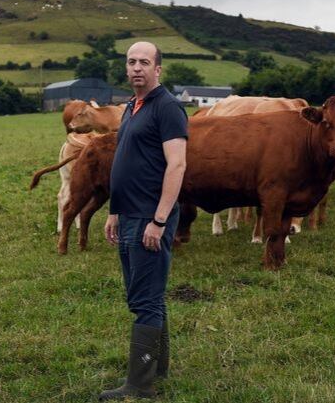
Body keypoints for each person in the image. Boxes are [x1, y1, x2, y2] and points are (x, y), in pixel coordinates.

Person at [99, 42, 188, 401]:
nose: (137, 68)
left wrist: (160, 219)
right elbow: (128, 159)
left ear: (158, 69)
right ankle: (159, 368)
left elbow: (177, 165)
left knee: (144, 301)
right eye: (132, 62)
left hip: (150, 217)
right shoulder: (132, 107)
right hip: (129, 214)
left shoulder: (167, 108)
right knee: (148, 297)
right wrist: (114, 211)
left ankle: (140, 385)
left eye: (145, 63)